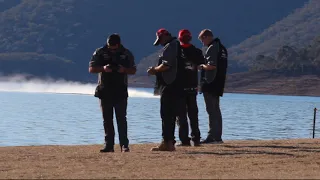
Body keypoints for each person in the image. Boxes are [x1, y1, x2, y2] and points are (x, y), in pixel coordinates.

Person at [88, 33, 136, 152]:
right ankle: (109, 145)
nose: (111, 49)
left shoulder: (126, 53)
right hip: (104, 91)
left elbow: (133, 70)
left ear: (118, 44)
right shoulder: (99, 52)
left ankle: (124, 145)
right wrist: (103, 69)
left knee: (121, 119)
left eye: (113, 47)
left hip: (120, 91)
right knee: (107, 120)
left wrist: (123, 70)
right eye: (109, 47)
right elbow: (91, 69)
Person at [147, 28, 185, 151]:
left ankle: (167, 142)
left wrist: (154, 70)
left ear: (165, 36)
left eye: (161, 40)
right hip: (177, 85)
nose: (161, 43)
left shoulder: (171, 46)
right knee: (172, 115)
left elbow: (166, 65)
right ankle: (170, 142)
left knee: (166, 114)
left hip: (169, 86)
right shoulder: (178, 46)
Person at [197, 29, 228, 144]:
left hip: (210, 83)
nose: (202, 43)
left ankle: (212, 136)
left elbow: (211, 66)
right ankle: (218, 137)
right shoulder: (222, 48)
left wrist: (201, 66)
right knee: (216, 110)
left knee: (211, 110)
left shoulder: (212, 48)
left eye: (202, 40)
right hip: (219, 82)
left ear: (206, 37)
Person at [176, 29, 204, 146]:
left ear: (179, 38)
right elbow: (201, 66)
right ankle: (196, 139)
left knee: (181, 115)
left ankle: (184, 140)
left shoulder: (176, 51)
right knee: (193, 114)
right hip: (192, 87)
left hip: (179, 87)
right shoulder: (197, 51)